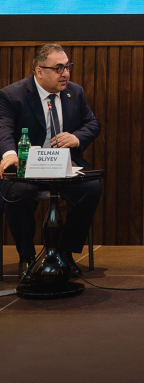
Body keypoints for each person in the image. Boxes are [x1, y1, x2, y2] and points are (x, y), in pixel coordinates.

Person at [0, 43, 101, 280]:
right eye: (58, 68)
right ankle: (27, 256)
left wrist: (76, 138)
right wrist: (9, 154)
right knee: (18, 193)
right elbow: (3, 129)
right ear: (39, 71)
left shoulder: (75, 92)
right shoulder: (12, 95)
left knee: (91, 188)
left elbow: (92, 124)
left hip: (63, 166)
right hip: (27, 168)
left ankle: (64, 253)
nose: (65, 73)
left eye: (67, 67)